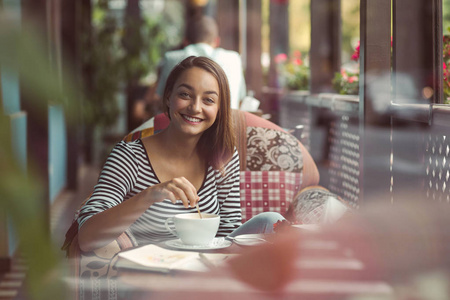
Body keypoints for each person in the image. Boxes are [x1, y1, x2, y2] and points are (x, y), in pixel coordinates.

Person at [77, 56, 282, 252]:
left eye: (208, 100)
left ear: (219, 109)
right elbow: (86, 238)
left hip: (205, 270)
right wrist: (149, 195)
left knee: (272, 221)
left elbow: (228, 231)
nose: (195, 107)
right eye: (185, 94)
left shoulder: (223, 156)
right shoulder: (130, 157)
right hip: (152, 272)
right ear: (168, 97)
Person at [155, 15, 247, 110]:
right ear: (217, 41)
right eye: (185, 94)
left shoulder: (171, 58)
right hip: (228, 122)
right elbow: (240, 99)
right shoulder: (234, 59)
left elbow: (161, 98)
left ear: (185, 41)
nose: (196, 108)